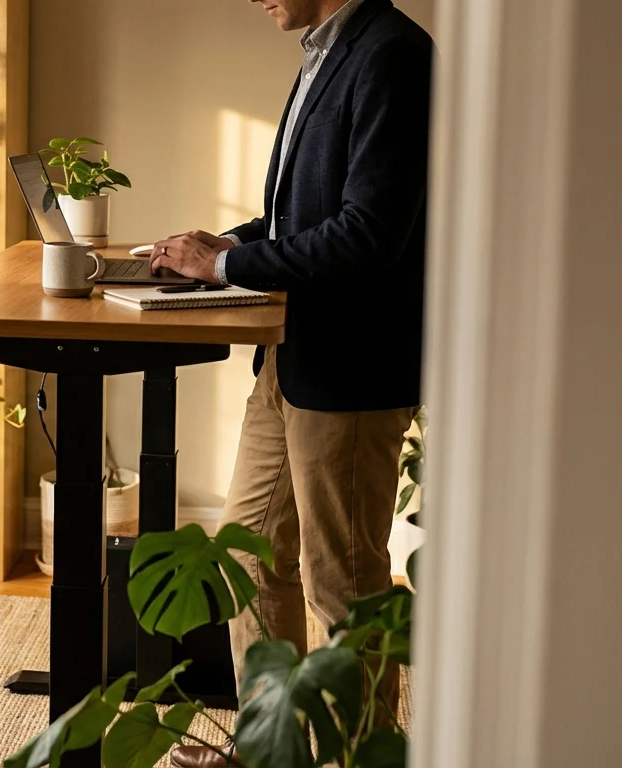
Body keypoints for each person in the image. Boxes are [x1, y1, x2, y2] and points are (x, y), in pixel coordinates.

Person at [151, 0, 432, 765]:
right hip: (289, 357)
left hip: (350, 369)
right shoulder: (325, 49)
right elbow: (299, 213)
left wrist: (226, 268)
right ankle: (270, 751)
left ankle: (356, 755)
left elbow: (369, 233)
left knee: (341, 586)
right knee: (246, 557)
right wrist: (219, 245)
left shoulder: (394, 54)